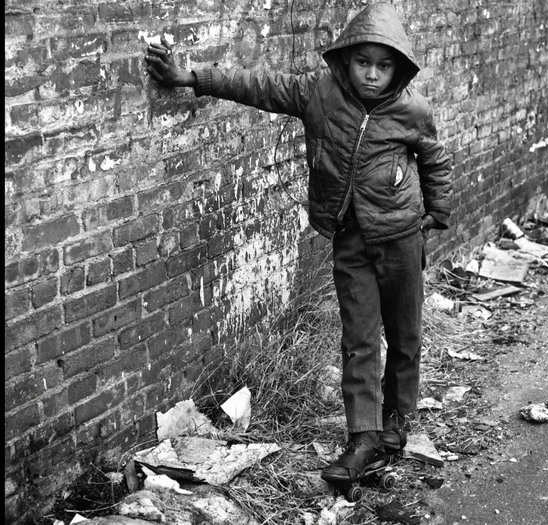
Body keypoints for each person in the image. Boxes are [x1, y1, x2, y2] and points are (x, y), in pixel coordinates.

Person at [145, 2, 452, 483]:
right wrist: (191, 78)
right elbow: (258, 86)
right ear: (346, 59)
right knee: (359, 339)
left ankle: (398, 417)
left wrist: (437, 211)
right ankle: (363, 437)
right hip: (350, 240)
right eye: (363, 62)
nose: (372, 74)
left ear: (399, 68)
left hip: (401, 238)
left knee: (406, 335)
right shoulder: (319, 93)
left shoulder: (412, 109)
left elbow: (434, 158)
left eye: (384, 65)